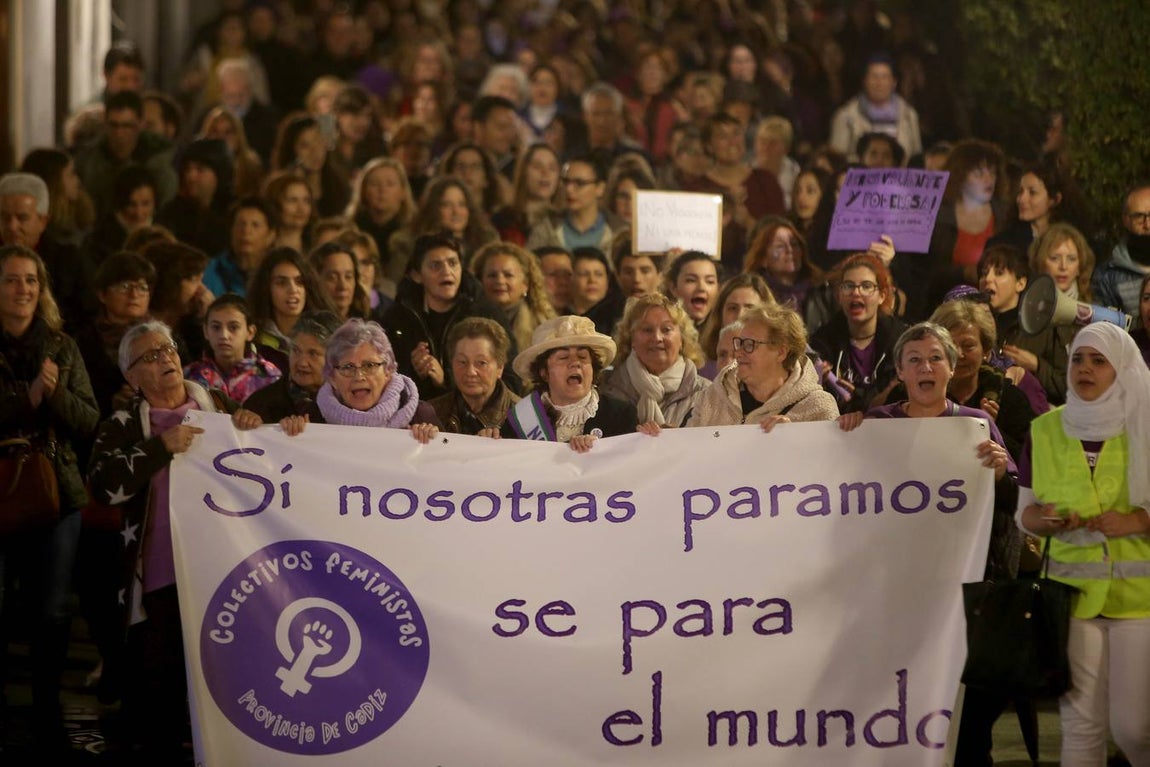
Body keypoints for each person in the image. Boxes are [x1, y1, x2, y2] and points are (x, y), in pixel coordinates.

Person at [839, 321, 1019, 764]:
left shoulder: (976, 426)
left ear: (952, 369)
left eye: (935, 358)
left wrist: (999, 474)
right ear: (899, 372)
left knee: (967, 724)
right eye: (914, 359)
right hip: (891, 596)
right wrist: (841, 431)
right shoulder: (876, 424)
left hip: (961, 596)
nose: (926, 366)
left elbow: (1014, 503)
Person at [87, 320, 261, 760]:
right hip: (161, 575)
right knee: (160, 689)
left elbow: (261, 456)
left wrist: (252, 424)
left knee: (224, 681)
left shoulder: (218, 406)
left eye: (167, 348)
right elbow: (104, 485)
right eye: (150, 356)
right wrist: (159, 447)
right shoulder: (125, 424)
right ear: (131, 376)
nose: (165, 358)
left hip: (219, 571)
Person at [1015, 322, 1150, 766]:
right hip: (1070, 601)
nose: (1084, 369)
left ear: (1123, 369)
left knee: (1135, 727)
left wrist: (1137, 520)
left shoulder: (1145, 424)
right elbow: (1026, 513)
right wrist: (1046, 520)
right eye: (1077, 359)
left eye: (1098, 361)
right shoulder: (1045, 430)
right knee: (1080, 724)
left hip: (1140, 602)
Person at [0, 245, 98, 753]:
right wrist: (28, 399)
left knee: (53, 611)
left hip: (55, 491)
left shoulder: (60, 347)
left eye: (31, 281)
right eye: (13, 280)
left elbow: (89, 419)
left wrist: (54, 394)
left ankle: (46, 708)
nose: (23, 290)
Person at [382, 233, 518, 401]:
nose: (447, 271)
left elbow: (513, 380)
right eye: (435, 265)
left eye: (453, 263)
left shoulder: (487, 315)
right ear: (417, 275)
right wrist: (414, 371)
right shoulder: (397, 318)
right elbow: (384, 382)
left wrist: (447, 380)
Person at [279, 318, 440, 441]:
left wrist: (433, 441)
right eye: (347, 367)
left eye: (369, 365)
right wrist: (291, 434)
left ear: (388, 371)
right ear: (332, 378)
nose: (359, 376)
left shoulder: (420, 415)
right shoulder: (313, 417)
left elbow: (448, 467)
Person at [495, 315, 638, 452]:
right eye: (563, 357)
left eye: (582, 357)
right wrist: (488, 441)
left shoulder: (621, 415)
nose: (575, 363)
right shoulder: (519, 421)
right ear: (544, 372)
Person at [687, 303, 839, 429]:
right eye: (739, 343)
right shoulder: (712, 397)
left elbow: (829, 463)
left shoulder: (818, 408)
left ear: (781, 352)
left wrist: (794, 440)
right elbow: (690, 455)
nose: (738, 353)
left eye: (749, 345)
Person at [810, 253, 907, 413]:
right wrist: (817, 383)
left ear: (882, 296)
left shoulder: (901, 342)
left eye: (866, 286)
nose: (856, 292)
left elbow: (897, 399)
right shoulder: (821, 342)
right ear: (839, 296)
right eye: (848, 286)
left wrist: (858, 399)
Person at [978, 244, 1072, 404]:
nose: (988, 279)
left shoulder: (1044, 328)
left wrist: (1036, 365)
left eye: (999, 273)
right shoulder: (975, 325)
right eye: (984, 273)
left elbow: (1067, 388)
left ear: (1020, 283)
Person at [601, 293, 709, 428]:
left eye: (666, 329)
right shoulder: (605, 389)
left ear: (682, 339)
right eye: (647, 330)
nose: (657, 338)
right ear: (631, 339)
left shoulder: (707, 394)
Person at [244, 309, 342, 424]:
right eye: (296, 351)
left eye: (313, 354)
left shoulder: (351, 402)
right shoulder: (260, 405)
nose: (302, 363)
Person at [427, 317, 520, 435]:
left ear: (500, 368)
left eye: (481, 363)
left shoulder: (523, 418)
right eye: (462, 362)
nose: (470, 372)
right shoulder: (431, 413)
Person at [183, 293, 282, 403]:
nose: (224, 335)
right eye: (216, 327)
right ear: (206, 331)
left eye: (233, 327)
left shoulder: (270, 377)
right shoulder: (190, 376)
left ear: (250, 332)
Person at [829, 53, 922, 163]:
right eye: (874, 77)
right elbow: (836, 161)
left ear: (894, 82)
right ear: (864, 81)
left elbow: (916, 158)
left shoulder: (909, 115)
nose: (879, 83)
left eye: (884, 77)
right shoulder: (845, 117)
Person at [525, 155, 625, 255]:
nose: (569, 189)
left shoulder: (619, 232)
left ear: (600, 188)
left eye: (579, 183)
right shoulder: (546, 229)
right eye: (566, 182)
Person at [155, 138, 235, 257]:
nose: (190, 177)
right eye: (187, 169)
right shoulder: (171, 215)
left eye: (200, 169)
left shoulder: (234, 214)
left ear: (219, 174)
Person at [471, 241, 555, 352]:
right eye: (492, 275)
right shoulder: (467, 321)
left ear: (525, 284)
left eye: (508, 275)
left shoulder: (545, 328)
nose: (500, 281)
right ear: (479, 281)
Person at [346, 158, 416, 290]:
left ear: (402, 192)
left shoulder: (414, 234)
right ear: (364, 191)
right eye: (374, 184)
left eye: (390, 184)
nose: (382, 190)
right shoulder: (350, 231)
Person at [1093, 182, 1150, 327]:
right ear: (1126, 220)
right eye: (1139, 217)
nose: (1147, 224)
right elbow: (1106, 330)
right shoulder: (1107, 275)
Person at [699, 272, 775, 378]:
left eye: (750, 308)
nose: (740, 316)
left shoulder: (786, 356)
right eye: (733, 308)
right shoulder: (701, 369)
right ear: (720, 314)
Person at [82, 165, 157, 269]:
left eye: (146, 204)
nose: (139, 212)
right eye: (132, 204)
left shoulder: (163, 231)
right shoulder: (99, 242)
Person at [202, 196, 279, 297]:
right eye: (240, 224)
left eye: (255, 225)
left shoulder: (278, 273)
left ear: (271, 236)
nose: (246, 231)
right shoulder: (210, 271)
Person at [492, 142, 562, 246]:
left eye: (552, 168)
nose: (545, 173)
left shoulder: (563, 221)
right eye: (537, 166)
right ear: (523, 172)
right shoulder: (502, 220)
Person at [309, 239, 371, 321]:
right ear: (316, 280)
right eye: (333, 277)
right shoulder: (305, 328)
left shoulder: (368, 325)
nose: (343, 286)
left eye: (348, 276)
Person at [262, 170, 314, 254]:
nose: (301, 208)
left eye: (306, 201)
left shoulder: (316, 246)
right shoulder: (262, 248)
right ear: (276, 204)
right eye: (292, 200)